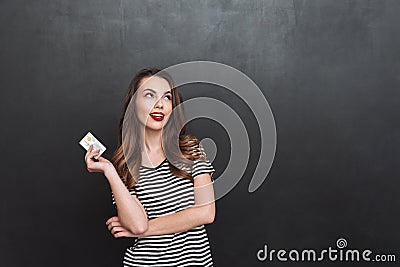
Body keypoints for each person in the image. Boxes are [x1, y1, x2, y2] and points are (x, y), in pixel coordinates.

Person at [84, 67, 216, 266]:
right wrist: (110, 171)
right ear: (133, 105)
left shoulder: (192, 149)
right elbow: (137, 224)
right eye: (149, 95)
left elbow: (206, 212)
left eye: (167, 97)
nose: (159, 104)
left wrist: (147, 228)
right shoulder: (125, 165)